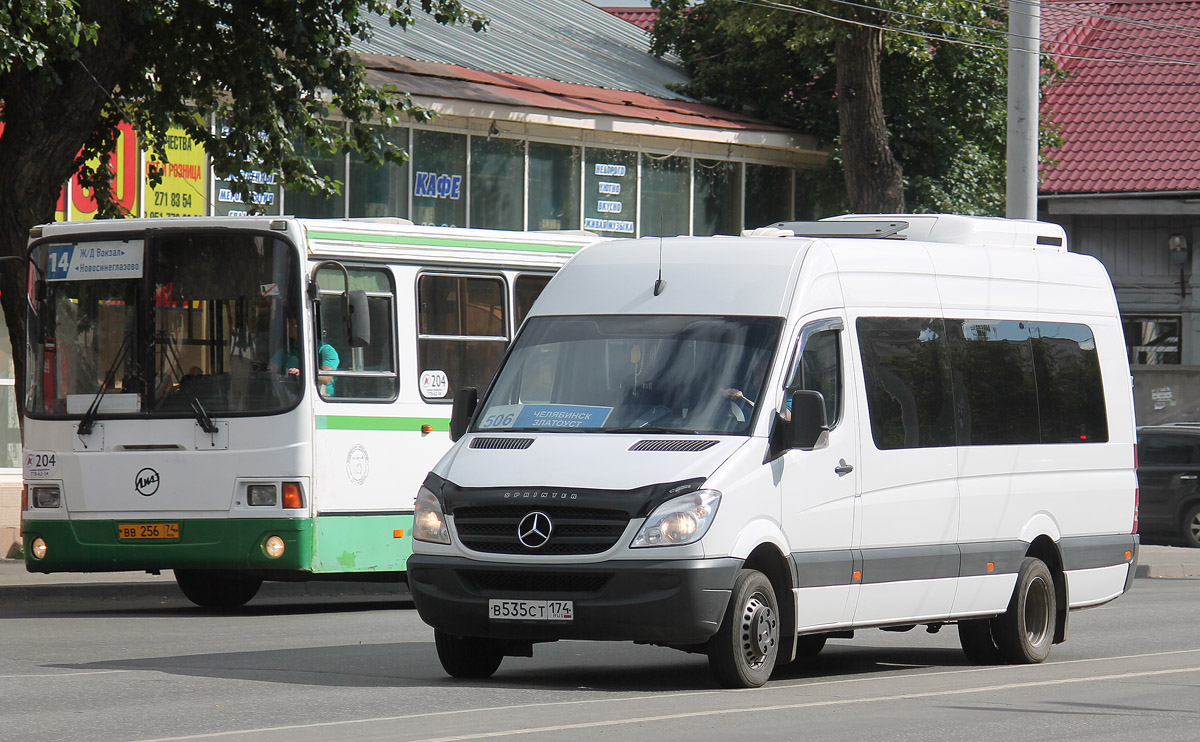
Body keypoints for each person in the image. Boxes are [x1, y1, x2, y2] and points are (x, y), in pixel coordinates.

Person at [269, 317, 339, 396]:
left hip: (320, 398)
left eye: (291, 324)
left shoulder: (326, 350)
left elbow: (325, 378)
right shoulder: (288, 349)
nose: (287, 327)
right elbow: (272, 367)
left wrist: (302, 373)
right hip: (290, 396)